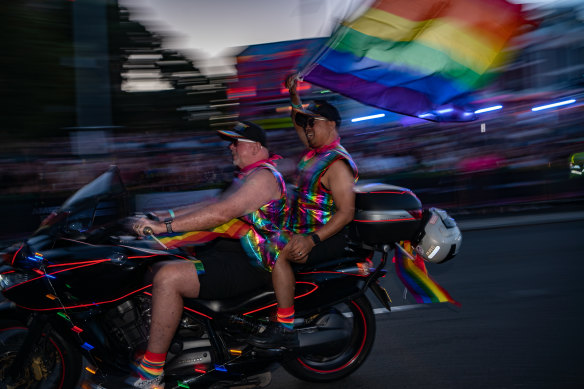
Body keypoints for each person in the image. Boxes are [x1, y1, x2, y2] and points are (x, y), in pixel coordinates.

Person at [127, 121, 289, 388]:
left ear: (256, 147)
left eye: (236, 142)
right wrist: (161, 216)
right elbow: (209, 205)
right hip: (227, 255)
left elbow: (221, 213)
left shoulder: (264, 177)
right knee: (152, 265)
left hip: (248, 264)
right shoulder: (246, 175)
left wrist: (162, 227)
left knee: (168, 277)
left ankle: (152, 373)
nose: (231, 147)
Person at [248, 74, 358, 349]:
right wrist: (293, 93)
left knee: (276, 249)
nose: (307, 128)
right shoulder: (316, 152)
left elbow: (346, 213)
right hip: (300, 226)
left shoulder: (337, 165)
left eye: (313, 122)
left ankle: (284, 325)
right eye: (306, 123)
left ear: (331, 125)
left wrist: (311, 240)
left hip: (323, 236)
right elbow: (297, 118)